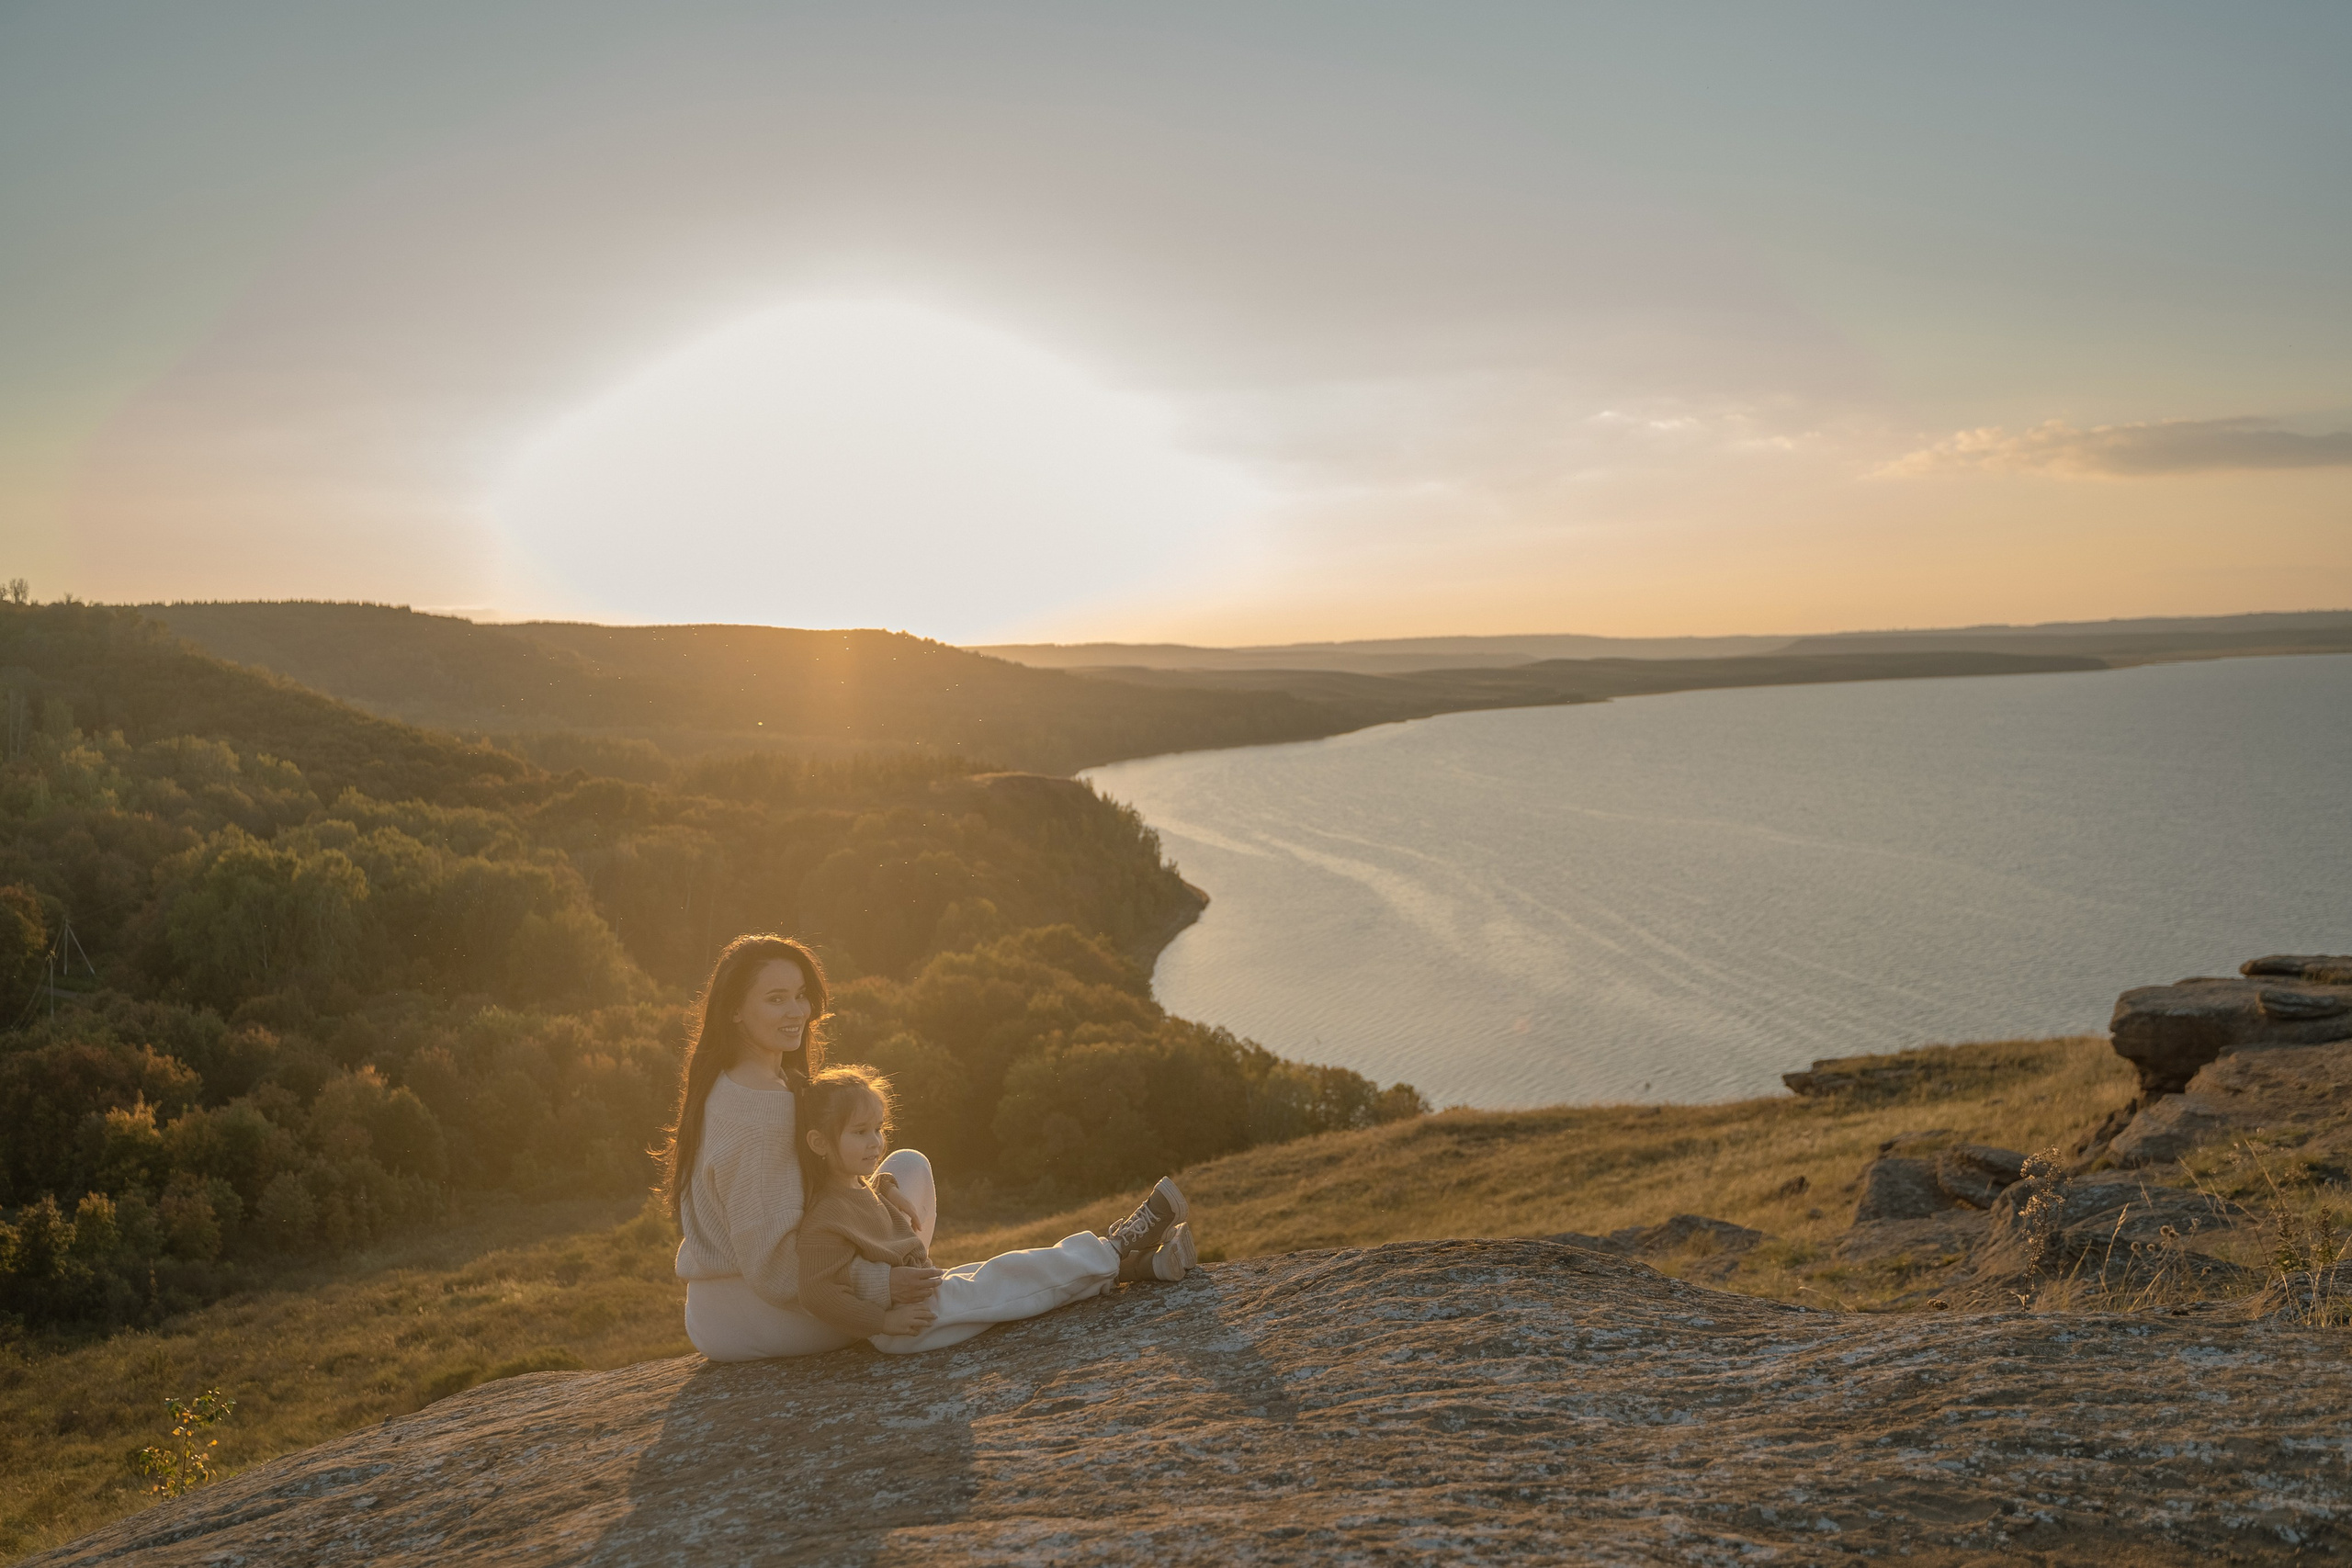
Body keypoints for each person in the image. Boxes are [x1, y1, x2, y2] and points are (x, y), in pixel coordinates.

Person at [660, 931, 1191, 1362]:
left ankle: (1108, 1268)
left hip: (783, 1281)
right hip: (757, 1311)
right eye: (775, 999)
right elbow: (778, 1273)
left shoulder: (765, 1081)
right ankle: (1113, 1254)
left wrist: (878, 1192)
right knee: (944, 1302)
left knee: (908, 1167)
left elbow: (816, 1183)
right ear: (734, 1011)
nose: (796, 1010)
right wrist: (883, 1286)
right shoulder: (754, 1117)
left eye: (800, 995)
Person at [796, 1065, 1194, 1354]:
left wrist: (887, 1186)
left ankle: (1140, 1268)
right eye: (860, 1132)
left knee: (1004, 1280)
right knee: (1010, 1277)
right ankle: (1119, 1245)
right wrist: (883, 1322)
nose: (875, 1142)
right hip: (908, 1321)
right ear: (818, 1143)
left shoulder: (856, 1185)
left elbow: (863, 1199)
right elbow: (817, 1294)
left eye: (879, 1129)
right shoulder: (824, 1221)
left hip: (924, 1294)